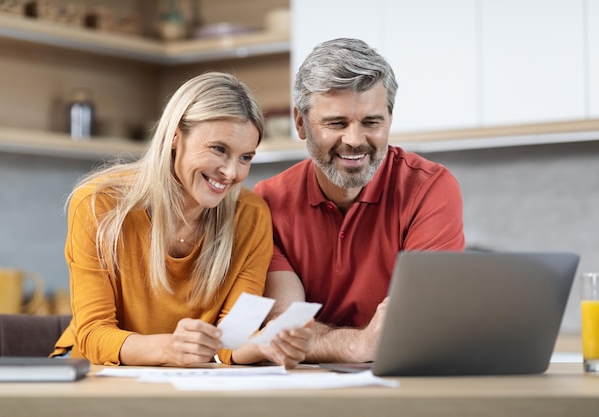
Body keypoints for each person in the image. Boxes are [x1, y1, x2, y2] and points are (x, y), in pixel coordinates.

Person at [52, 72, 311, 368]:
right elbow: (92, 334)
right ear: (176, 135)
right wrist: (168, 348)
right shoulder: (100, 205)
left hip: (188, 380)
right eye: (219, 149)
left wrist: (264, 344)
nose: (230, 173)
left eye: (245, 158)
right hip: (95, 376)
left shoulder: (250, 216)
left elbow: (231, 341)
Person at [253, 38, 465, 363]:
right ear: (301, 123)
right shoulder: (267, 203)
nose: (354, 141)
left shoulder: (430, 189)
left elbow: (421, 323)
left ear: (390, 119)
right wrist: (357, 345)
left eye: (371, 122)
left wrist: (327, 343)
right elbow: (285, 329)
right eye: (336, 123)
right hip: (305, 385)